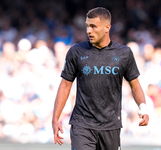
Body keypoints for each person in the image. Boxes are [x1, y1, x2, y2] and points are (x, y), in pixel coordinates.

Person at [52, 7, 149, 150]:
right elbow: (65, 85)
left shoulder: (124, 53)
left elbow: (135, 85)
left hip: (111, 126)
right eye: (87, 26)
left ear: (107, 27)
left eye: (93, 26)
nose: (88, 31)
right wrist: (55, 118)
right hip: (82, 125)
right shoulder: (76, 52)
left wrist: (143, 108)